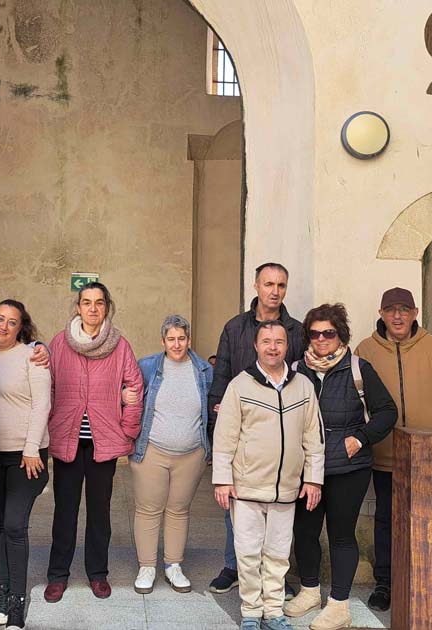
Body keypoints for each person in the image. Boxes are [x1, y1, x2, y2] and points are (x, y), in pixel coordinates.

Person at [354, 287, 432, 612]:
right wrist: (368, 434)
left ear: (415, 313)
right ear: (381, 314)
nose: (398, 316)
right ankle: (385, 583)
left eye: (404, 309)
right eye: (391, 310)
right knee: (387, 520)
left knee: (427, 521)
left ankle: (423, 580)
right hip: (384, 457)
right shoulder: (365, 351)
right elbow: (355, 398)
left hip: (427, 458)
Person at [285, 304, 397, 630]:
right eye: (315, 333)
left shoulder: (359, 369)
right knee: (304, 531)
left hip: (349, 467)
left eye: (328, 333)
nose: (321, 339)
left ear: (340, 335)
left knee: (341, 534)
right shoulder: (297, 369)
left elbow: (387, 412)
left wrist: (360, 438)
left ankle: (338, 605)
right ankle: (308, 590)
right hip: (307, 466)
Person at [212, 321, 324, 630]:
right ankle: (250, 612)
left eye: (279, 342)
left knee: (277, 555)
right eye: (266, 341)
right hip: (247, 488)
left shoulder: (303, 386)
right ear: (256, 346)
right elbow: (225, 438)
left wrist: (313, 479)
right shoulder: (240, 386)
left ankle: (273, 612)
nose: (272, 347)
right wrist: (223, 479)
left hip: (286, 490)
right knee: (248, 554)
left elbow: (313, 436)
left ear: (288, 347)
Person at [207, 262, 306, 595]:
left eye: (280, 285)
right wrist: (216, 420)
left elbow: (303, 379)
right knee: (237, 504)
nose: (274, 291)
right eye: (268, 284)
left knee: (280, 515)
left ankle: (276, 577)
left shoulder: (297, 330)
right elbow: (220, 377)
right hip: (243, 431)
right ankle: (233, 566)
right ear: (256, 286)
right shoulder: (235, 328)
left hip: (280, 432)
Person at [43, 282, 143, 603]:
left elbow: (134, 386)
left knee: (100, 512)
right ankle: (58, 575)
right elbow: (48, 386)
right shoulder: (59, 343)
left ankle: (98, 573)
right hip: (67, 440)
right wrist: (48, 427)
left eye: (99, 303)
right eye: (86, 302)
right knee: (65, 511)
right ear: (78, 307)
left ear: (106, 307)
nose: (93, 309)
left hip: (103, 443)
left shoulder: (120, 345)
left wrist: (127, 429)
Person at [0, 299, 52, 630]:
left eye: (12, 322)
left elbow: (42, 405)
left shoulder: (33, 356)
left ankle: (18, 602)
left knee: (14, 524)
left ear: (21, 327)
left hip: (28, 455)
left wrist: (31, 448)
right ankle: (3, 593)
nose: (3, 326)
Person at [132, 315, 213, 594]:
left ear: (188, 340)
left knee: (178, 510)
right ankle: (147, 566)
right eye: (171, 339)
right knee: (148, 508)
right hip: (152, 450)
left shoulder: (203, 370)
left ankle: (173, 566)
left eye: (182, 338)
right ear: (162, 341)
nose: (177, 344)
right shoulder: (148, 367)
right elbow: (131, 400)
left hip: (191, 453)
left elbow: (211, 411)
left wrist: (208, 449)